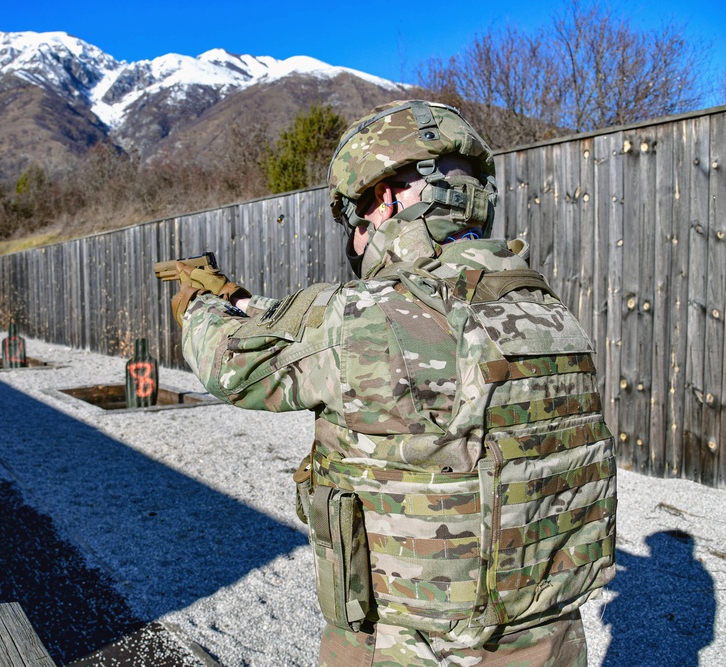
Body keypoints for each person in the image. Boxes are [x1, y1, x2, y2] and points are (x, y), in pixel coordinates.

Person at [170, 100, 616, 666]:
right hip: (547, 637)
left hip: (412, 648)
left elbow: (229, 364)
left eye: (355, 215)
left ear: (384, 199)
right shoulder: (547, 312)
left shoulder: (368, 316)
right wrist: (239, 298)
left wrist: (199, 303)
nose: (356, 236)